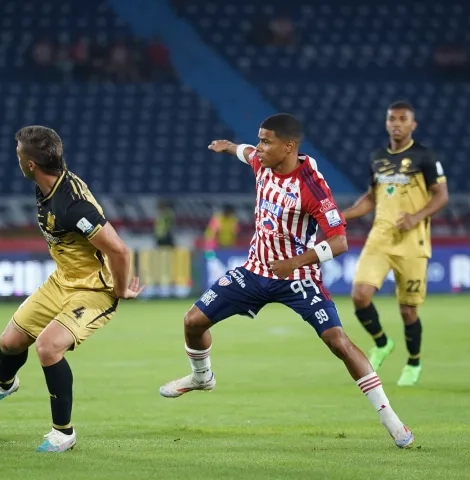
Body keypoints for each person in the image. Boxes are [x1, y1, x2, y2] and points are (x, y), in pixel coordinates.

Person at [158, 114, 415, 449]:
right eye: (260, 139)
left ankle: (389, 417)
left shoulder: (311, 187)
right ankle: (201, 377)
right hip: (255, 270)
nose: (260, 147)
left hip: (297, 276)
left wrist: (295, 262)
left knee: (338, 341)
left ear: (289, 146)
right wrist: (228, 147)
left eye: (267, 141)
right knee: (193, 320)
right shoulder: (262, 162)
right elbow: (246, 152)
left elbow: (339, 242)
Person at [0, 126, 144, 452]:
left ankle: (63, 433)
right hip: (62, 280)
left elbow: (119, 250)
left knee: (48, 347)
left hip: (93, 288)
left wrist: (119, 291)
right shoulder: (45, 184)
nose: (16, 157)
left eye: (19, 153)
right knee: (10, 342)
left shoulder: (72, 205)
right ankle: (4, 385)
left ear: (31, 164)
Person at [342, 102, 449, 387]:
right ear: (386, 123)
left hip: (413, 241)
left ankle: (413, 362)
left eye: (403, 119)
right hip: (380, 237)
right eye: (392, 119)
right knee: (360, 295)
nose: (397, 123)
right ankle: (382, 342)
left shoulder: (425, 156)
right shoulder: (377, 158)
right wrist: (341, 216)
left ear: (413, 125)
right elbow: (371, 198)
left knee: (407, 310)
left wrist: (416, 217)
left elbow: (441, 196)